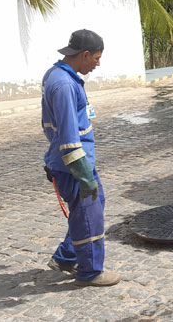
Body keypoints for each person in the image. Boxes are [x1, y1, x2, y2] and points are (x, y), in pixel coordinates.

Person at [42, 29, 121, 287]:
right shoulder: (64, 85)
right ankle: (90, 272)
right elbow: (67, 138)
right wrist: (85, 177)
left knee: (89, 210)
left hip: (74, 163)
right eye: (97, 58)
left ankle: (66, 257)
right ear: (85, 54)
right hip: (75, 167)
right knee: (89, 216)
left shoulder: (58, 75)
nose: (98, 64)